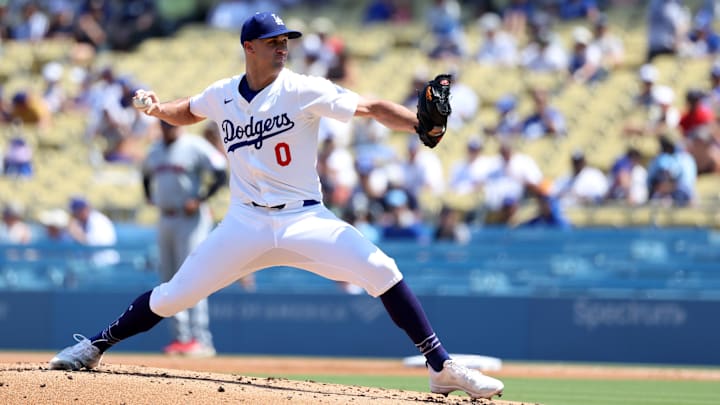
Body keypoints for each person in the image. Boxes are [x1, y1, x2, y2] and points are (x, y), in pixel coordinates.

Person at [48, 12, 504, 400]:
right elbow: (187, 110)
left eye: (286, 41)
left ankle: (440, 366)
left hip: (304, 217)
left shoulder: (302, 88)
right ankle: (94, 345)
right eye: (273, 42)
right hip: (244, 222)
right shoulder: (223, 92)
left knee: (382, 270)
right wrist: (157, 110)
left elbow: (370, 107)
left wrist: (418, 124)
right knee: (174, 296)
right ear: (249, 46)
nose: (283, 48)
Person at [142, 120, 228, 357]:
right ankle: (180, 338)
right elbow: (146, 175)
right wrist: (149, 195)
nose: (169, 128)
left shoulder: (195, 145)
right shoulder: (155, 149)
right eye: (165, 124)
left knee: (192, 275)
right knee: (169, 279)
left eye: (172, 124)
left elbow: (221, 173)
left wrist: (200, 199)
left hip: (190, 219)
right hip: (165, 217)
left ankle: (200, 339)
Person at [66, 196, 119, 267]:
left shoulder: (97, 221)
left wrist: (75, 232)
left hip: (104, 263)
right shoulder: (86, 222)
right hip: (95, 263)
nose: (76, 216)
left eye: (77, 212)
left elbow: (91, 244)